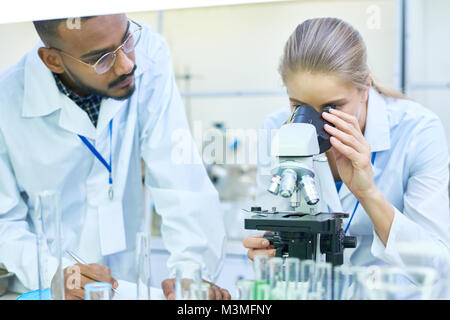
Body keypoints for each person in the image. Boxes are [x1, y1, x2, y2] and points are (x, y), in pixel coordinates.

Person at [0, 14, 230, 300]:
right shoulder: (6, 100)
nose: (126, 64)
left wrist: (193, 274)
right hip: (51, 287)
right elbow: (4, 220)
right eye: (101, 59)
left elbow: (179, 177)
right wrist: (51, 273)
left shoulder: (150, 57)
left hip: (127, 281)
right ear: (53, 61)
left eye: (127, 40)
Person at [244, 18, 450, 277]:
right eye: (299, 107)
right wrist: (266, 250)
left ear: (364, 88)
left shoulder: (417, 131)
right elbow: (269, 225)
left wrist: (369, 194)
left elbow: (439, 268)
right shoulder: (277, 128)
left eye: (333, 108)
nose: (315, 125)